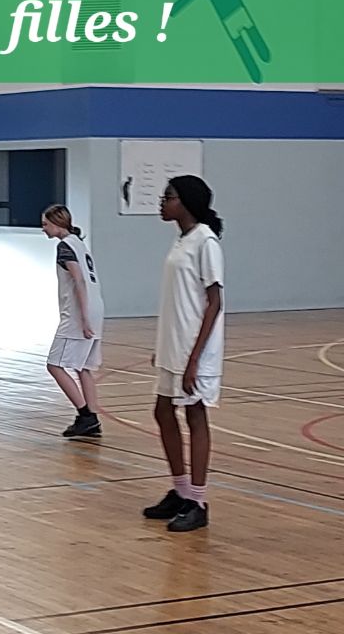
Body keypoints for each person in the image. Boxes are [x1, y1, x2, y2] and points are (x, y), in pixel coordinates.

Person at [143, 175, 223, 534]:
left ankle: (198, 502)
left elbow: (214, 302)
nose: (162, 203)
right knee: (162, 411)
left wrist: (194, 359)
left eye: (169, 197)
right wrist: (163, 346)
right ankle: (181, 490)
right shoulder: (182, 240)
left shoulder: (206, 241)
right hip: (173, 346)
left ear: (187, 201)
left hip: (195, 350)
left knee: (195, 415)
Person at [41, 205, 105, 438]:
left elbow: (79, 281)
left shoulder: (65, 246)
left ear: (58, 223)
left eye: (45, 224)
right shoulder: (79, 243)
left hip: (79, 313)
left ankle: (85, 415)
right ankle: (93, 419)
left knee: (54, 365)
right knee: (83, 367)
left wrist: (84, 319)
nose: (43, 228)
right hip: (97, 307)